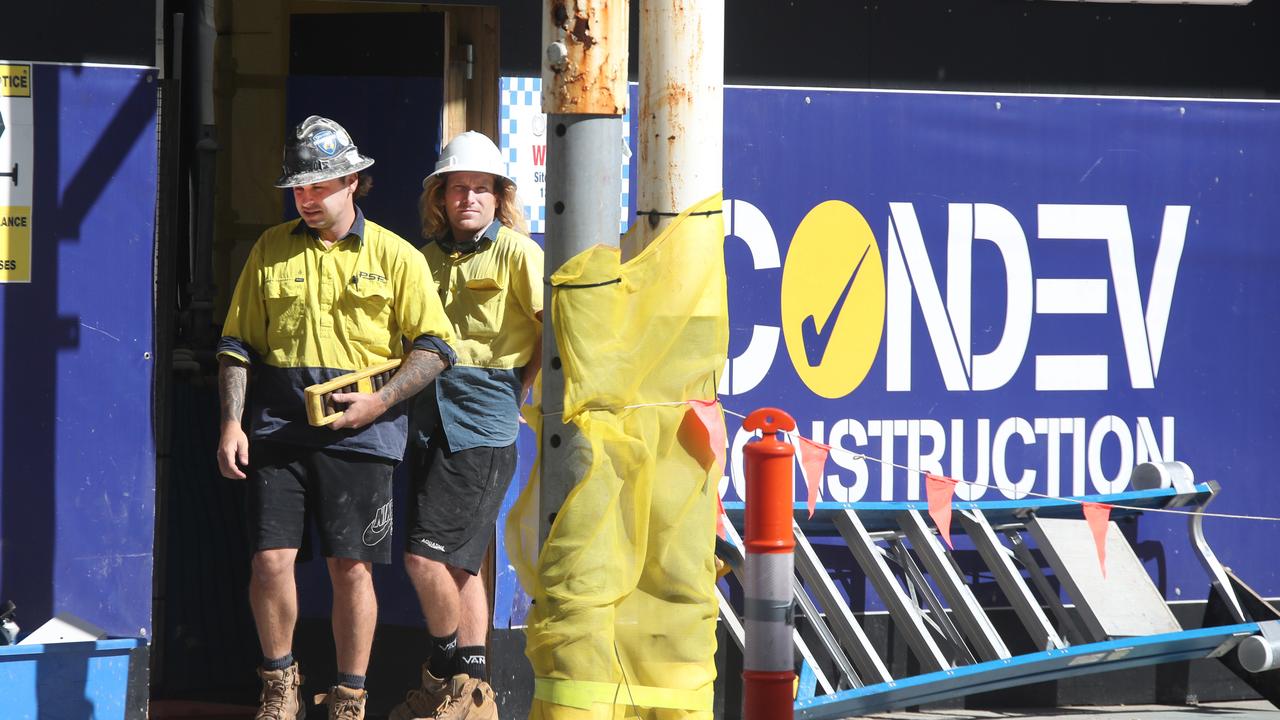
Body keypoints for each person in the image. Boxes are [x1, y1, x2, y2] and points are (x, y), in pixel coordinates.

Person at [216, 115, 455, 720]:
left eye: (318, 186)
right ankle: (279, 686)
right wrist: (231, 423)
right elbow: (238, 345)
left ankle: (349, 696)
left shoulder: (396, 255)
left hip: (364, 435)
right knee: (270, 561)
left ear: (353, 181)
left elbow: (435, 347)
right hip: (277, 428)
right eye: (299, 188)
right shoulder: (270, 248)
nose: (306, 198)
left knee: (351, 568)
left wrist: (380, 401)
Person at [390, 131, 543, 720]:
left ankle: (444, 669)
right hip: (428, 416)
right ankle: (473, 696)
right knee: (459, 564)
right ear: (441, 198)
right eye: (459, 189)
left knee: (423, 559)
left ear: (499, 196)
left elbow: (550, 328)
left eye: (482, 188)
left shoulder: (519, 254)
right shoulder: (422, 259)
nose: (469, 199)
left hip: (484, 417)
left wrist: (519, 386)